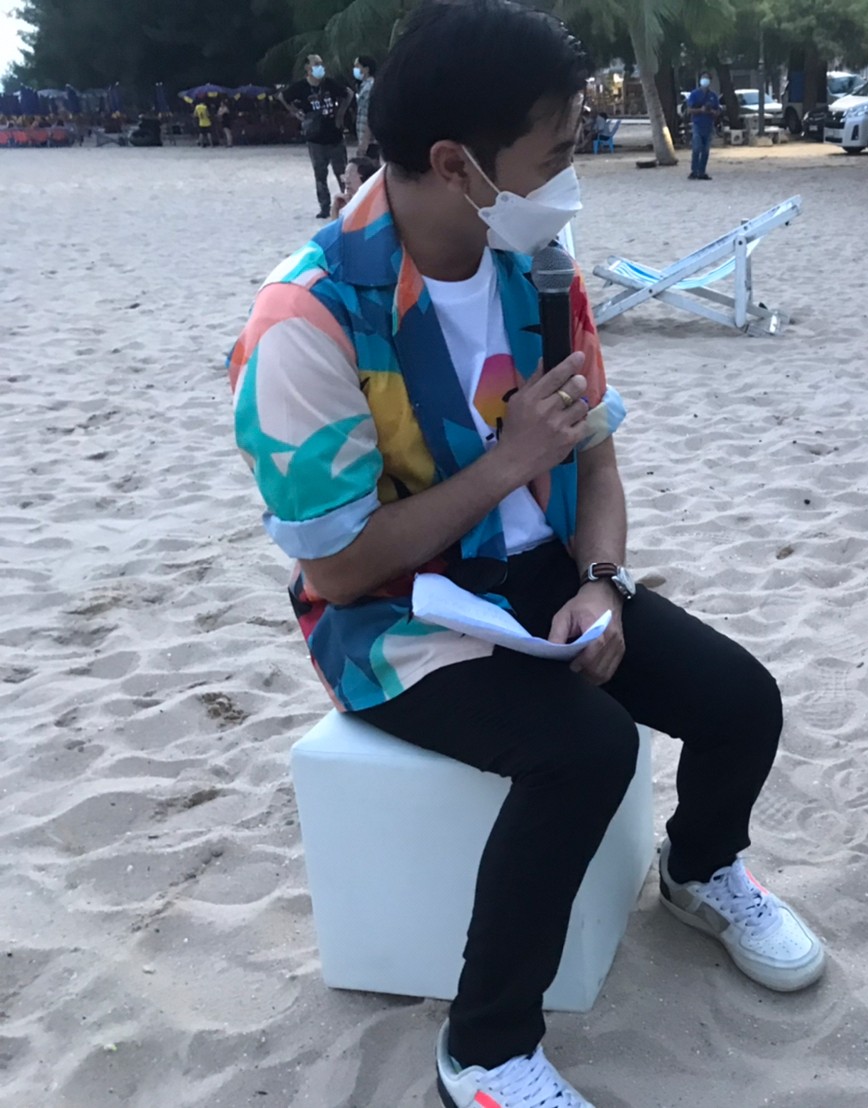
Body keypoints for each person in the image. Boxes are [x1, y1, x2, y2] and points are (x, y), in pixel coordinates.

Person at [227, 4, 825, 1106]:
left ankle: (698, 871)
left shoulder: (539, 269)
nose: (572, 178)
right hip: (394, 615)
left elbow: (594, 462)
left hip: (543, 570)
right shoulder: (307, 320)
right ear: (457, 164)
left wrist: (600, 584)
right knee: (586, 750)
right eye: (554, 153)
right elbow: (338, 570)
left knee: (741, 699)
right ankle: (486, 1050)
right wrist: (508, 465)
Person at [280, 54, 351, 219]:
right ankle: (324, 206)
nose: (320, 67)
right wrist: (295, 112)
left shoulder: (329, 84)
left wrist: (340, 113)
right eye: (316, 64)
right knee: (320, 174)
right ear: (307, 68)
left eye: (321, 64)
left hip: (335, 134)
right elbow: (283, 97)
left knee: (342, 172)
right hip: (315, 137)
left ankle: (349, 203)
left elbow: (348, 93)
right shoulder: (301, 87)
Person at [686, 72, 721, 180]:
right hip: (697, 124)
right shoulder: (694, 94)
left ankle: (702, 172)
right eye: (703, 77)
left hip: (708, 125)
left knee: (705, 150)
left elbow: (718, 111)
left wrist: (712, 112)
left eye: (707, 78)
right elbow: (689, 110)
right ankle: (694, 171)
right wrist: (700, 110)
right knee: (697, 148)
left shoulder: (713, 96)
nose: (705, 80)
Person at [353, 54, 377, 160]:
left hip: (370, 141)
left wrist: (364, 142)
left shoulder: (369, 88)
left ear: (366, 69)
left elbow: (369, 114)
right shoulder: (364, 86)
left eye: (357, 66)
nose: (355, 69)